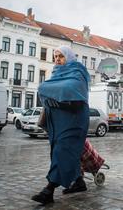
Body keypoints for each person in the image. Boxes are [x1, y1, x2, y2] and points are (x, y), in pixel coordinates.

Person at [31, 46, 90, 205]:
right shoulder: (56, 73)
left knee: (62, 151)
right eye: (55, 56)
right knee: (64, 151)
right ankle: (79, 182)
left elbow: (70, 90)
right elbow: (48, 89)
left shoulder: (78, 73)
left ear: (69, 57)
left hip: (74, 120)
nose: (57, 59)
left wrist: (49, 90)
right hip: (59, 121)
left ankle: (48, 190)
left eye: (61, 56)